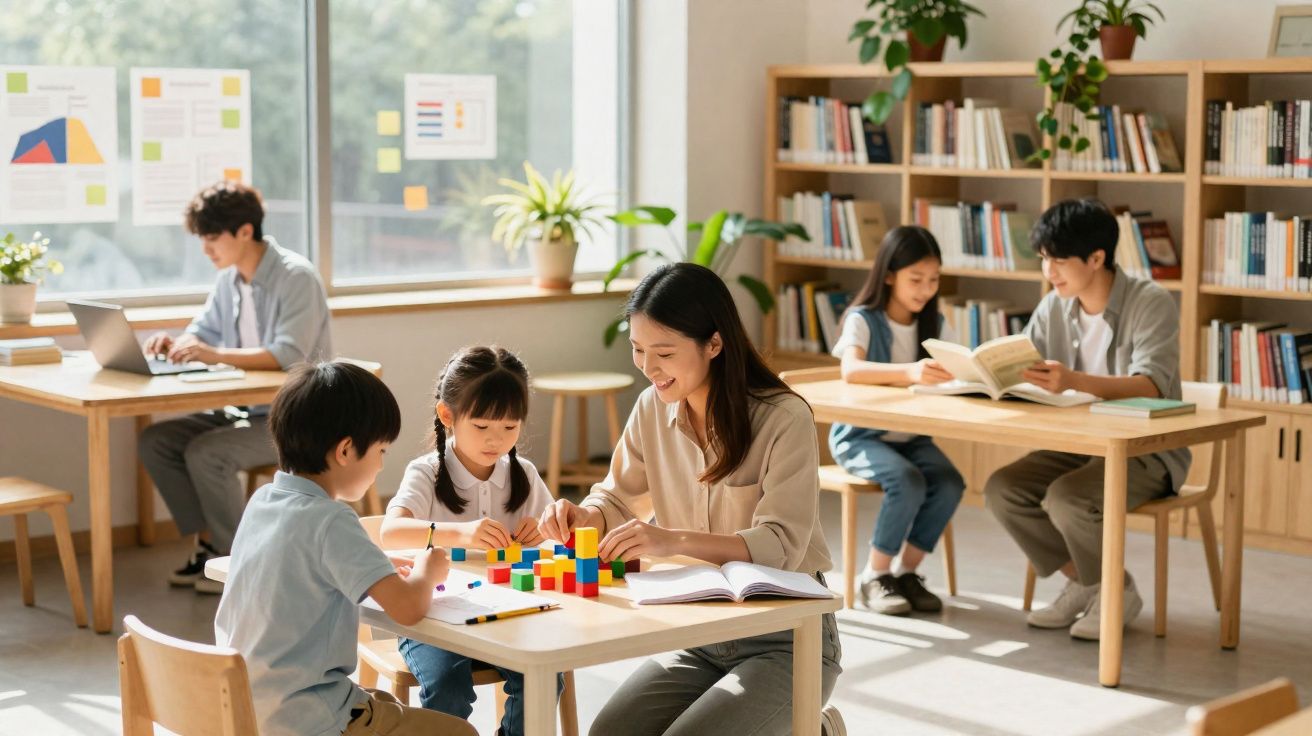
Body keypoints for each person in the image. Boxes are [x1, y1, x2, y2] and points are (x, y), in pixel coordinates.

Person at [536, 262, 844, 736]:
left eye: (663, 352)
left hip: (787, 638)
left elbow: (781, 546)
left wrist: (668, 539)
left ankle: (813, 730)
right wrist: (584, 515)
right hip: (700, 630)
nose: (647, 367)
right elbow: (617, 500)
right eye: (638, 350)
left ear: (714, 344)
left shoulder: (784, 418)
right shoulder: (649, 409)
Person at [214, 360, 475, 736]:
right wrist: (427, 570)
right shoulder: (333, 519)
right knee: (461, 733)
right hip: (306, 717)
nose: (382, 465)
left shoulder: (263, 501)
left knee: (382, 705)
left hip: (246, 706)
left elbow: (299, 563)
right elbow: (407, 608)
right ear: (346, 450)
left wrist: (376, 563)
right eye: (381, 451)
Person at [983, 198, 1189, 640]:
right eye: (1044, 260)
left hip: (1146, 452)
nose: (1049, 272)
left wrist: (1072, 379)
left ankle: (1109, 592)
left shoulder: (1150, 302)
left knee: (1068, 497)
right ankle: (1091, 583)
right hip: (1076, 446)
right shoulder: (1055, 306)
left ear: (1096, 258)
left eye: (1059, 260)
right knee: (1003, 489)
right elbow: (1028, 369)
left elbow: (1151, 385)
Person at [139, 181, 332, 594]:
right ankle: (211, 547)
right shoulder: (229, 281)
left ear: (245, 231)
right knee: (157, 440)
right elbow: (203, 332)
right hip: (247, 411)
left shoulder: (295, 277)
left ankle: (236, 564)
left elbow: (288, 354)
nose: (206, 248)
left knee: (208, 453)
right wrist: (173, 343)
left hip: (296, 422)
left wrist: (213, 354)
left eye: (212, 238)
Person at [380, 345, 560, 735]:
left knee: (545, 676)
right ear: (448, 416)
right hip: (431, 616)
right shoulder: (426, 472)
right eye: (481, 427)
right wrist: (458, 532)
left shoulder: (522, 472)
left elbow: (553, 535)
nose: (496, 440)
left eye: (510, 427)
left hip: (507, 614)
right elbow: (390, 532)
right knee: (447, 686)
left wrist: (543, 530)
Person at [828, 226, 966, 615]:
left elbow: (955, 367)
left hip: (912, 438)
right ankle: (875, 575)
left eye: (933, 280)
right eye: (916, 279)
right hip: (860, 437)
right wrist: (911, 372)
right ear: (889, 275)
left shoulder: (935, 324)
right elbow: (850, 370)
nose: (926, 289)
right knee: (907, 481)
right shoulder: (863, 319)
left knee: (951, 482)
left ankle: (907, 573)